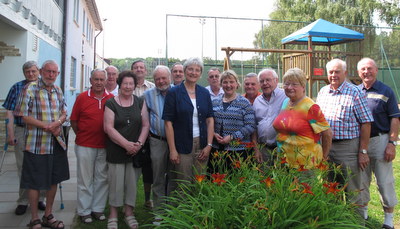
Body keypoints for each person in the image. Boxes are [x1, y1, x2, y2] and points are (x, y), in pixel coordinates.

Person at [14, 60, 69, 229]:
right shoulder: (29, 89)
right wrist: (47, 126)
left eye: (54, 72)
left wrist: (57, 123)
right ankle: (34, 219)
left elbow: (64, 112)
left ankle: (48, 215)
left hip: (56, 142)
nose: (51, 75)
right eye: (48, 71)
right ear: (41, 71)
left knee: (53, 180)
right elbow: (23, 115)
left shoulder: (58, 90)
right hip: (36, 143)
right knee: (34, 181)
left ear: (57, 74)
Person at [316, 58, 373, 219]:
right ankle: (334, 222)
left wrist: (363, 151)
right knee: (329, 189)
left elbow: (366, 123)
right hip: (326, 148)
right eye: (331, 72)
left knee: (353, 191)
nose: (334, 75)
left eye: (337, 71)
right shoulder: (323, 92)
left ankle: (356, 224)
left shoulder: (355, 92)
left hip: (348, 148)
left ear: (345, 73)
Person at [104, 71, 150, 229]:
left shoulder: (139, 102)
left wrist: (138, 144)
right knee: (115, 184)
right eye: (125, 83)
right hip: (116, 151)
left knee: (132, 183)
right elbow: (108, 128)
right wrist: (126, 145)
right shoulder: (111, 103)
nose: (128, 87)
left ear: (135, 85)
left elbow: (145, 125)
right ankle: (113, 214)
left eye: (131, 84)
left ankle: (129, 212)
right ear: (120, 84)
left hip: (135, 152)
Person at [357, 57, 399, 229]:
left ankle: (389, 219)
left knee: (384, 181)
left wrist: (392, 143)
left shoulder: (386, 91)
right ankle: (364, 214)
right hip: (360, 143)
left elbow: (395, 118)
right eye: (363, 69)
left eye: (370, 68)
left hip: (380, 140)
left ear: (376, 70)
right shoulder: (356, 91)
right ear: (359, 72)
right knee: (361, 180)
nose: (366, 72)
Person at [2, 61, 46, 215]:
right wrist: (11, 133)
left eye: (33, 71)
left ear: (39, 71)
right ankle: (23, 200)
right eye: (28, 71)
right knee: (23, 167)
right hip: (22, 130)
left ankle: (40, 198)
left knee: (40, 166)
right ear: (24, 73)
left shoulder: (45, 87)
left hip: (41, 132)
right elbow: (9, 112)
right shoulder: (17, 87)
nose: (31, 74)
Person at [163, 57, 214, 190]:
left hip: (202, 144)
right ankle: (183, 211)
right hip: (182, 145)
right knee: (183, 184)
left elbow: (210, 119)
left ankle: (198, 210)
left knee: (199, 182)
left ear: (201, 73)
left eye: (197, 70)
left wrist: (209, 145)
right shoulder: (174, 92)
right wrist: (173, 150)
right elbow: (168, 123)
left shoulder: (204, 93)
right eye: (190, 69)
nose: (193, 72)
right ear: (185, 71)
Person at [70, 69, 113, 223]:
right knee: (85, 179)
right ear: (90, 80)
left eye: (102, 79)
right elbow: (74, 121)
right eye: (96, 79)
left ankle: (98, 209)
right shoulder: (82, 97)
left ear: (106, 81)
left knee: (102, 178)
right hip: (85, 144)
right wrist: (82, 135)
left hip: (105, 145)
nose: (99, 82)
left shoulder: (111, 98)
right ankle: (84, 211)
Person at [273, 68, 332, 169]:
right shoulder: (285, 103)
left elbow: (327, 134)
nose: (289, 87)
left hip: (305, 165)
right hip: (284, 162)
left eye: (294, 84)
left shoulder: (310, 107)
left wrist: (324, 158)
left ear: (303, 87)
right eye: (286, 84)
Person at [210, 70, 256, 173]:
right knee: (217, 181)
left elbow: (251, 126)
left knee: (236, 182)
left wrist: (232, 137)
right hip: (217, 149)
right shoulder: (214, 101)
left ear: (237, 84)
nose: (228, 85)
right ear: (221, 84)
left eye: (231, 82)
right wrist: (213, 134)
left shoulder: (244, 103)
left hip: (238, 150)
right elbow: (208, 122)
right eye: (225, 82)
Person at [144, 65, 172, 224]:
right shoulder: (148, 95)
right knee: (158, 176)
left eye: (163, 78)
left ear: (169, 78)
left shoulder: (178, 92)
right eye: (157, 79)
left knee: (175, 176)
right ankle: (159, 212)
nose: (161, 81)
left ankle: (174, 208)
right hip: (157, 141)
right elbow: (144, 118)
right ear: (153, 81)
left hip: (175, 141)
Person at [131, 59, 154, 209]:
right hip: (131, 135)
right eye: (136, 67)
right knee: (132, 171)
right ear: (132, 70)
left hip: (149, 135)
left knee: (148, 170)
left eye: (141, 68)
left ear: (146, 71)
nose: (139, 70)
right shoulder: (126, 86)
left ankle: (147, 199)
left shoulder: (152, 88)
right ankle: (129, 201)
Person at [252, 68, 287, 164]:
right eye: (262, 81)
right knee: (264, 178)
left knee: (282, 178)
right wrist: (256, 149)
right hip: (263, 150)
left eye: (268, 80)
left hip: (282, 150)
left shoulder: (286, 96)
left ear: (276, 80)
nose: (265, 83)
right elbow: (254, 127)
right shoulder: (257, 101)